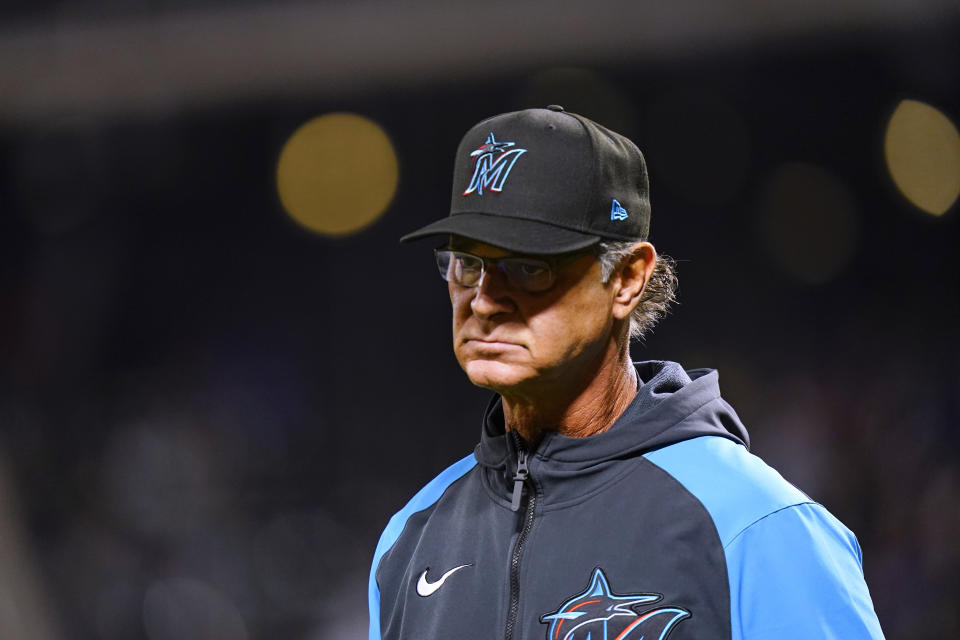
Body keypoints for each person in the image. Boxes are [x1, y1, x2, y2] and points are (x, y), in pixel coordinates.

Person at [368, 105, 884, 640]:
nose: (483, 301)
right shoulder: (410, 538)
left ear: (627, 279)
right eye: (467, 264)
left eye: (527, 266)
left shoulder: (755, 525)